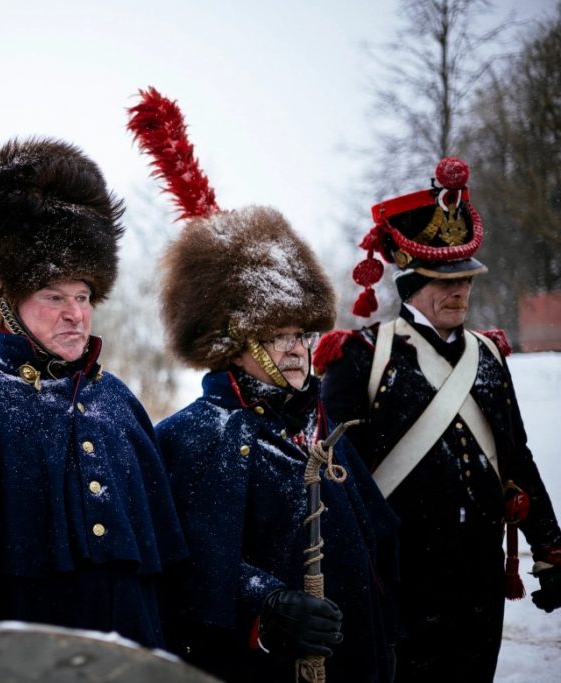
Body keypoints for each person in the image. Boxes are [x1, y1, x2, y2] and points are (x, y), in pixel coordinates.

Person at [129, 87, 400, 682]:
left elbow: (380, 546)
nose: (298, 349)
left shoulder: (323, 428)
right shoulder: (196, 437)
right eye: (278, 336)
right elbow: (190, 573)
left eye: (302, 333)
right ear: (235, 346)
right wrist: (266, 607)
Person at [0, 137, 188, 649]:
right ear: (2, 298)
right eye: (54, 296)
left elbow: (166, 578)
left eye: (83, 295)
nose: (76, 313)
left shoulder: (120, 403)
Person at [316, 157, 561, 682]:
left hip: (479, 581)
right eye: (443, 280)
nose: (460, 291)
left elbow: (515, 456)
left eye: (466, 281)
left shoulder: (490, 356)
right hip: (401, 580)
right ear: (409, 286)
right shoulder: (361, 357)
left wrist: (549, 547)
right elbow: (339, 479)